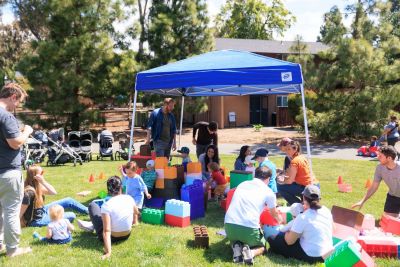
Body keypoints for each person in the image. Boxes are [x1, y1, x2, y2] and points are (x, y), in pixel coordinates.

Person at [0, 82, 33, 257]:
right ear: (13, 97)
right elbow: (15, 143)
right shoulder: (6, 116)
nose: (17, 107)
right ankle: (12, 250)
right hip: (8, 173)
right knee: (11, 211)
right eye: (18, 102)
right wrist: (26, 131)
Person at [224, 166, 282, 265]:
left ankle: (237, 247)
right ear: (268, 179)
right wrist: (281, 221)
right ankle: (251, 252)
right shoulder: (269, 192)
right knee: (263, 247)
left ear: (255, 175)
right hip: (249, 228)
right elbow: (274, 213)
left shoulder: (242, 184)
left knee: (238, 239)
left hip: (229, 226)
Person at [268, 185, 333, 264]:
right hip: (327, 252)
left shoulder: (303, 217)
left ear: (304, 198)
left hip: (312, 256)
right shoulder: (326, 210)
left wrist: (288, 231)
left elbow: (289, 241)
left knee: (272, 238)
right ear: (319, 199)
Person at [78, 176, 138, 260]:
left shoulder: (107, 205)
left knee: (92, 205)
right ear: (121, 187)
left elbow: (106, 231)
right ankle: (92, 225)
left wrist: (108, 252)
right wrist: (135, 221)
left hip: (113, 237)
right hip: (127, 235)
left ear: (108, 190)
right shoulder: (129, 198)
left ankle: (92, 225)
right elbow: (136, 212)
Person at [20, 165, 88, 227]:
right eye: (42, 173)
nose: (43, 174)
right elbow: (20, 212)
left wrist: (43, 182)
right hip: (36, 220)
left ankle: (89, 211)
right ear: (35, 176)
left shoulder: (37, 187)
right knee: (71, 215)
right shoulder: (29, 192)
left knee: (68, 200)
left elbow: (53, 192)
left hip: (42, 211)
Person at [352, 146, 400, 217]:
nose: (378, 157)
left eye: (380, 156)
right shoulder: (380, 168)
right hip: (393, 196)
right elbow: (374, 186)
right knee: (389, 220)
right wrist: (362, 201)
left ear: (389, 158)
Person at [277, 141, 313, 205]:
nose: (287, 151)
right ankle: (301, 204)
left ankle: (298, 205)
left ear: (295, 149)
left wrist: (281, 181)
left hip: (307, 187)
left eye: (289, 149)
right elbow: (293, 175)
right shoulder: (302, 157)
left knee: (280, 187)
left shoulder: (295, 161)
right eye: (286, 149)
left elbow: (290, 181)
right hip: (311, 185)